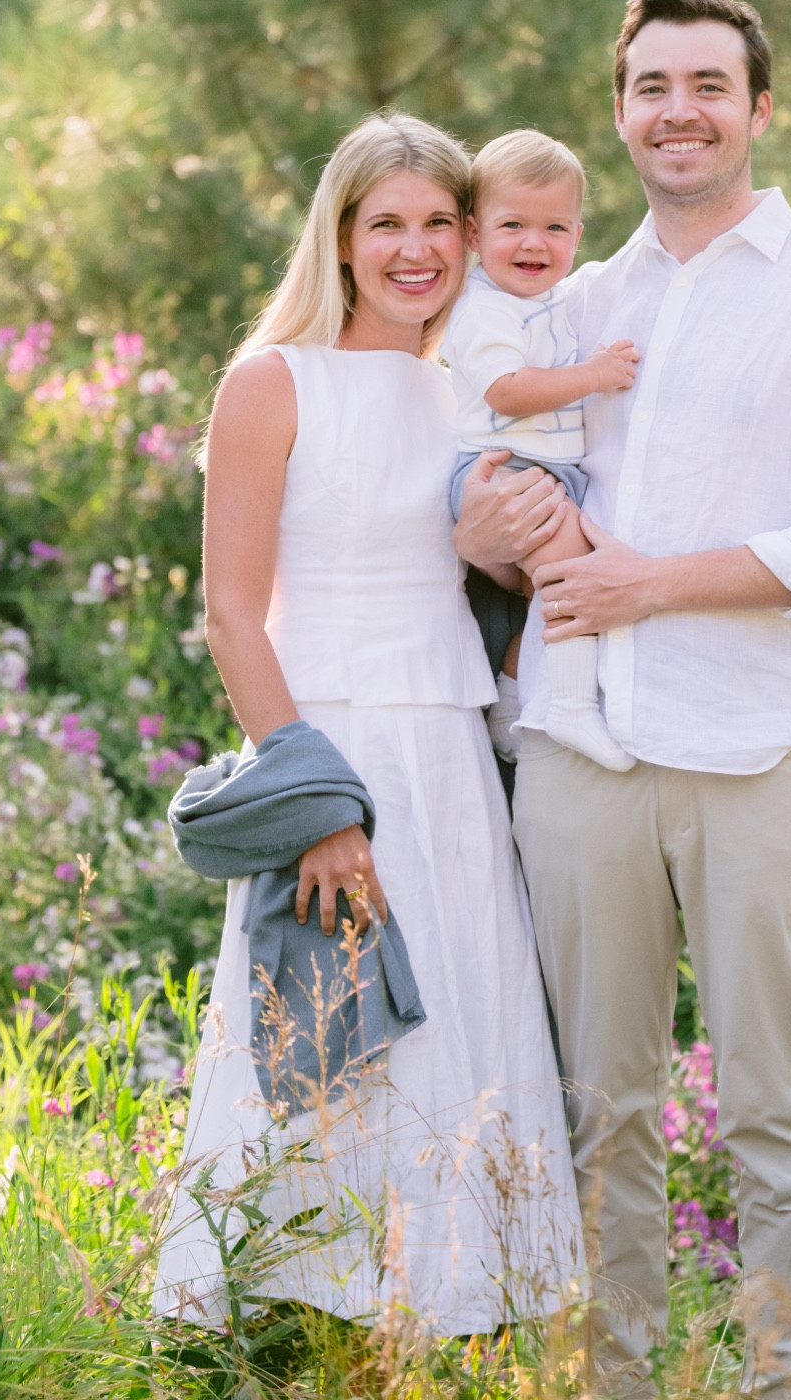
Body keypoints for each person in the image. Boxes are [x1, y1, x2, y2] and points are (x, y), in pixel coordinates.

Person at [453, 0, 791, 1386]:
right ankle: (617, 1381)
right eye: (652, 85)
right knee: (599, 1114)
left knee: (775, 1114)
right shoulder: (575, 303)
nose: (679, 110)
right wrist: (492, 532)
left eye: (708, 84)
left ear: (759, 108)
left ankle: (785, 1378)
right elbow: (487, 478)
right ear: (619, 111)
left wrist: (649, 583)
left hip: (752, 754)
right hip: (578, 755)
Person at [154, 113, 584, 1335]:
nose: (415, 247)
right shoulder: (272, 380)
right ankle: (289, 1315)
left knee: (464, 1007)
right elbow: (232, 615)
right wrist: (316, 808)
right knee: (323, 1028)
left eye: (439, 221)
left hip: (450, 745)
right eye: (386, 221)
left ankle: (460, 1304)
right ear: (339, 236)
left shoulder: (468, 388)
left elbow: (499, 570)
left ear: (470, 236)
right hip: (330, 742)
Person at [442, 129, 639, 771]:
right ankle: (573, 708)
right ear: (475, 234)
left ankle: (509, 705)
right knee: (572, 582)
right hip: (503, 470)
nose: (535, 242)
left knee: (542, 596)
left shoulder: (552, 300)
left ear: (578, 236)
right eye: (513, 225)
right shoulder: (485, 308)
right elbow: (507, 390)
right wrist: (594, 375)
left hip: (546, 471)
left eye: (555, 227)